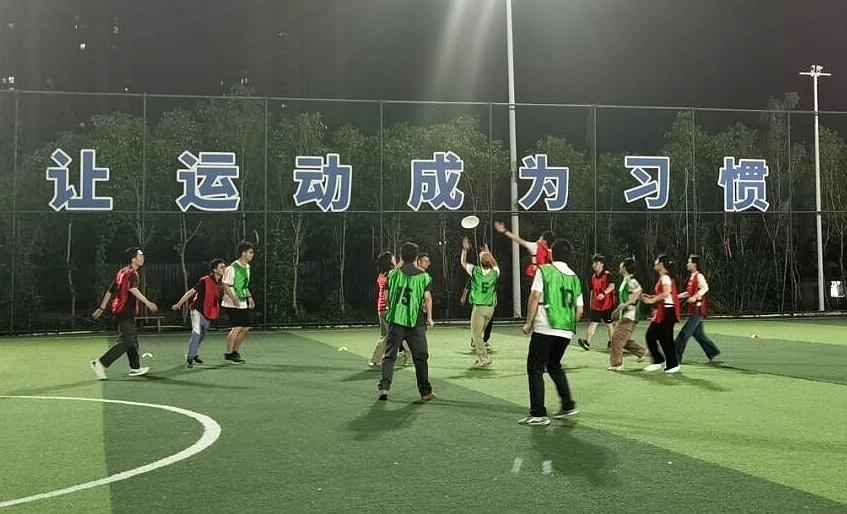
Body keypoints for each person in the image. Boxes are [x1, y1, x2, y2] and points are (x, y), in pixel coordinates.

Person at [519, 238, 583, 426]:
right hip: (566, 330)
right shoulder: (575, 278)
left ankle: (538, 413)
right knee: (554, 365)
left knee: (535, 368)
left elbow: (535, 296)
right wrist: (566, 324)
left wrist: (529, 322)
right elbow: (580, 311)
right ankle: (568, 405)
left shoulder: (545, 270)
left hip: (545, 327)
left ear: (552, 253)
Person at [378, 242, 436, 402]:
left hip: (396, 320)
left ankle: (384, 387)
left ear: (401, 256)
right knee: (421, 357)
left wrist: (392, 308)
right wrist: (430, 317)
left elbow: (387, 296)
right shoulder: (424, 276)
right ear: (416, 257)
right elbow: (427, 298)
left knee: (389, 356)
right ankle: (425, 392)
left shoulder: (393, 274)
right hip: (414, 321)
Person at [90, 247, 158, 380]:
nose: (142, 257)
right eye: (140, 255)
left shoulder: (122, 272)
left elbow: (110, 291)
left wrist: (101, 308)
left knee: (132, 340)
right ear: (133, 259)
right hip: (125, 311)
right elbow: (133, 289)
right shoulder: (132, 273)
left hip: (122, 311)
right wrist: (148, 303)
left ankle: (135, 368)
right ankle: (100, 364)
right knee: (126, 341)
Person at [172, 258, 226, 368]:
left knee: (203, 334)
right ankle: (190, 357)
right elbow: (191, 292)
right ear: (214, 270)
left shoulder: (220, 284)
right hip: (197, 310)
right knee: (196, 333)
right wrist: (179, 303)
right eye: (221, 267)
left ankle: (194, 353)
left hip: (207, 312)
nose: (224, 269)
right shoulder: (205, 281)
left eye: (224, 267)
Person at [674, 254, 721, 363]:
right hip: (693, 310)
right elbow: (689, 293)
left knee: (684, 333)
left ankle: (675, 357)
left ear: (694, 264)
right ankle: (712, 352)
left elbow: (705, 288)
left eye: (689, 262)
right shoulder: (692, 277)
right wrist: (677, 296)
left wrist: (695, 297)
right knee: (699, 335)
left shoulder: (699, 276)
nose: (687, 264)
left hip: (698, 310)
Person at [368, 251, 412, 368]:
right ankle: (409, 359)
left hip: (381, 308)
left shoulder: (381, 275)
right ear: (389, 262)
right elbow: (398, 270)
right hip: (389, 309)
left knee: (386, 336)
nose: (394, 259)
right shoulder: (391, 274)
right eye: (393, 258)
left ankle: (376, 359)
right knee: (402, 334)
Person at [461, 238, 499, 367]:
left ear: (481, 262)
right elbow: (495, 264)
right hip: (490, 308)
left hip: (479, 308)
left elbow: (463, 262)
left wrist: (465, 249)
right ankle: (481, 356)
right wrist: (488, 253)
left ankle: (484, 358)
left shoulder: (475, 270)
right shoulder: (495, 273)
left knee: (476, 334)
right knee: (479, 334)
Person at [641, 254, 682, 373]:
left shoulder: (665, 277)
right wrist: (651, 297)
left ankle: (671, 364)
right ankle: (659, 361)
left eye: (657, 261)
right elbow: (665, 295)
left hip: (667, 311)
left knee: (662, 338)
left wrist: (651, 300)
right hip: (665, 310)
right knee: (655, 337)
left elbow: (666, 293)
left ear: (661, 264)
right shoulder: (664, 277)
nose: (655, 262)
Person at [608, 258, 648, 370]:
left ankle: (617, 364)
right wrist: (618, 310)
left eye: (621, 264)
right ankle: (641, 352)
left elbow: (638, 292)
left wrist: (626, 304)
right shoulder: (626, 280)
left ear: (625, 267)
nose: (619, 266)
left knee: (616, 338)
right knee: (622, 338)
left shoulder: (631, 280)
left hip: (630, 314)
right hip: (626, 314)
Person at [221, 240, 255, 364]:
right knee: (237, 327)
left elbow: (244, 285)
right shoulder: (232, 268)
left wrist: (250, 297)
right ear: (243, 253)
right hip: (231, 302)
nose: (252, 255)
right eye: (250, 252)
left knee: (245, 327)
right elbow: (225, 284)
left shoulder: (247, 267)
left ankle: (235, 351)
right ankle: (229, 353)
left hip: (242, 301)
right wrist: (233, 297)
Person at [577, 254, 616, 351]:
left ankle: (613, 343)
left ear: (602, 264)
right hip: (596, 305)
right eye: (593, 263)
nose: (594, 265)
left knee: (609, 324)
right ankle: (587, 343)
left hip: (607, 304)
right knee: (594, 322)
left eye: (596, 263)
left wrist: (604, 293)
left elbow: (612, 286)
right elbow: (592, 291)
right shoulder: (593, 277)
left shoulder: (608, 274)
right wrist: (591, 303)